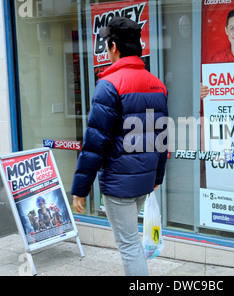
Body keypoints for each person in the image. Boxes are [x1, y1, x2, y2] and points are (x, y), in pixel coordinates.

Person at [71, 17, 168, 276]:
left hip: (119, 184)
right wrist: (157, 176)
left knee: (129, 245)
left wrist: (80, 189)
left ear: (113, 46)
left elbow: (95, 143)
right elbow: (162, 137)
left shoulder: (109, 85)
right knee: (131, 243)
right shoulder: (157, 84)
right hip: (144, 181)